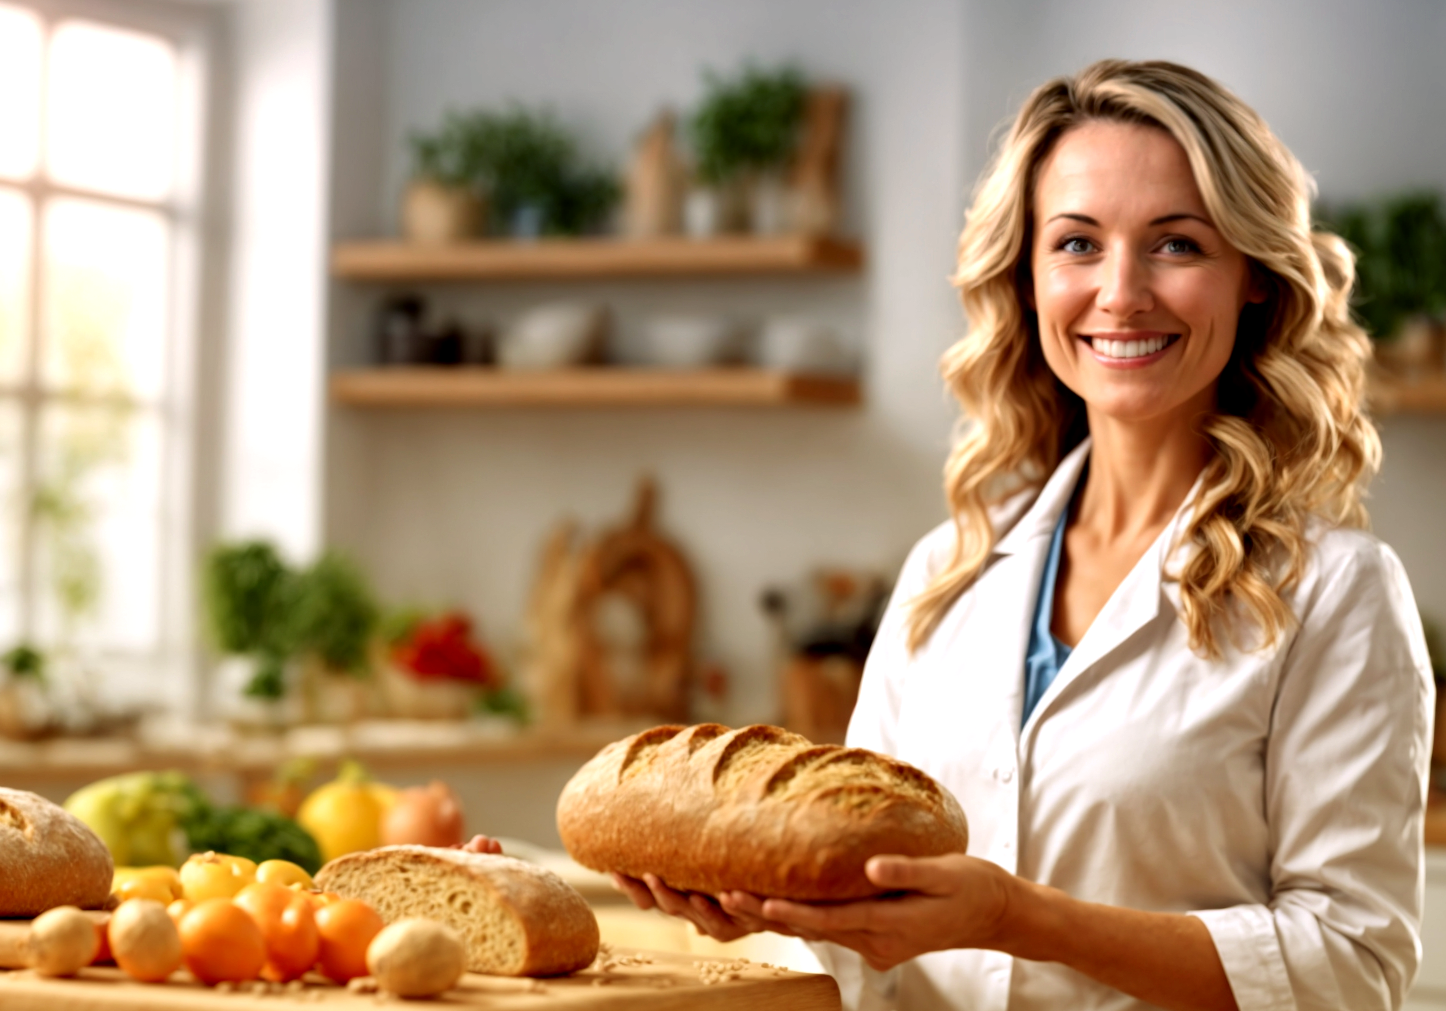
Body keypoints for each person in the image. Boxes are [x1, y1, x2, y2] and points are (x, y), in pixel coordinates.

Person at [612, 59, 1433, 1011]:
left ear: (1253, 274)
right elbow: (868, 938)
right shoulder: (948, 572)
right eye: (1078, 243)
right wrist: (768, 908)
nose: (1121, 293)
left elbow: (1351, 965)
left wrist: (1013, 915)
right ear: (1028, 274)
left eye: (1176, 245)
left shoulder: (1334, 593)